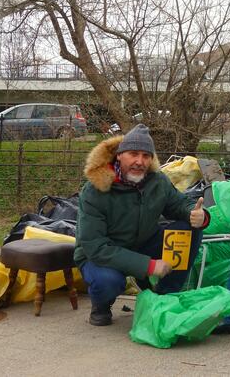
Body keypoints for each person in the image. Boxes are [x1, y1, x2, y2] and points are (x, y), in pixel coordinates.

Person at [74, 124, 209, 326]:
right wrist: (149, 266)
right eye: (133, 154)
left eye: (146, 156)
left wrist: (198, 215)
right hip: (101, 254)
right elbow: (96, 247)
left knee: (190, 229)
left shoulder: (157, 181)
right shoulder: (94, 191)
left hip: (143, 242)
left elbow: (179, 204)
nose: (140, 161)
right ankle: (101, 305)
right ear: (119, 155)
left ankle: (165, 296)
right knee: (108, 281)